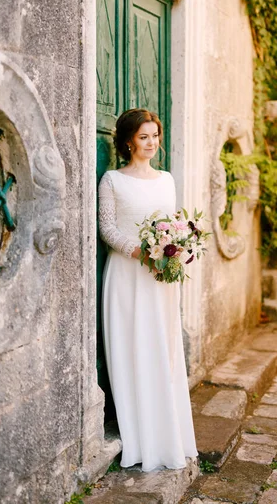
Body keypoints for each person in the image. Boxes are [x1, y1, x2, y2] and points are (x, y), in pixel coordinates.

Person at [98, 108, 198, 472]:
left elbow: (172, 225)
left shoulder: (167, 179)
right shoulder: (111, 180)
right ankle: (140, 438)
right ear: (128, 141)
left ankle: (167, 432)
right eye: (144, 137)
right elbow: (107, 229)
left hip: (161, 282)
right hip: (127, 277)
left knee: (162, 349)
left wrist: (177, 248)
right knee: (132, 349)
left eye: (154, 135)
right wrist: (141, 252)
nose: (152, 142)